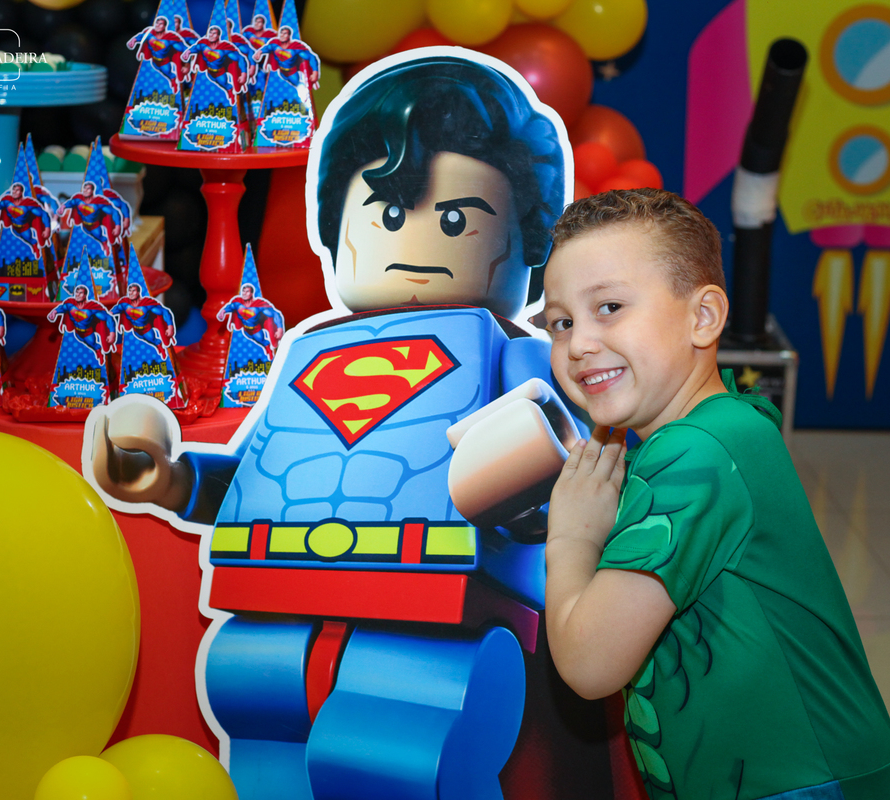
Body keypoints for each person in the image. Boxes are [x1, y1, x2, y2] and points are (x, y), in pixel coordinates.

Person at [88, 54, 584, 800]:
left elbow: (570, 484)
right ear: (336, 228)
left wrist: (528, 471)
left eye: (455, 220)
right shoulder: (312, 353)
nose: (415, 243)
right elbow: (254, 479)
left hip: (432, 609)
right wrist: (172, 477)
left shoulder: (512, 359)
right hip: (273, 599)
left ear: (527, 243)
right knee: (267, 752)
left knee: (395, 756)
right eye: (389, 214)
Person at [541, 189, 890, 800]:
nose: (579, 343)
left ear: (704, 317)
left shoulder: (696, 453)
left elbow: (590, 665)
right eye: (561, 322)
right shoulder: (728, 425)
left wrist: (572, 536)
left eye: (609, 307)